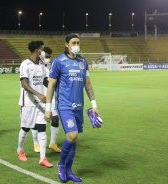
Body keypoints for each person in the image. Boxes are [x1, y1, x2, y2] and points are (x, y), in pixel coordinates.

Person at [44, 33, 102, 182]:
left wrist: (94, 105)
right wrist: (48, 108)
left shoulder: (83, 62)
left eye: (78, 42)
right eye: (73, 43)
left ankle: (69, 170)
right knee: (72, 135)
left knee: (74, 139)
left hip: (79, 106)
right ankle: (61, 165)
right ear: (67, 45)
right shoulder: (59, 62)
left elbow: (87, 84)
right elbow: (51, 85)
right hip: (64, 106)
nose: (76, 45)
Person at [17, 40, 53, 168]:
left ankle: (43, 158)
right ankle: (20, 149)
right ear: (37, 50)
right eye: (42, 49)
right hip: (28, 103)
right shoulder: (25, 64)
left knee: (42, 129)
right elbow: (24, 84)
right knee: (25, 128)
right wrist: (38, 94)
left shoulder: (42, 65)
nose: (44, 52)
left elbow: (45, 82)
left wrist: (54, 88)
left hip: (41, 103)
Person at [31, 46, 61, 153]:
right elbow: (43, 81)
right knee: (37, 121)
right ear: (42, 55)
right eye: (46, 56)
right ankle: (36, 144)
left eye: (49, 56)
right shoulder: (35, 65)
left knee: (55, 117)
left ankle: (52, 143)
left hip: (50, 96)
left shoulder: (51, 65)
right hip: (39, 96)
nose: (48, 58)